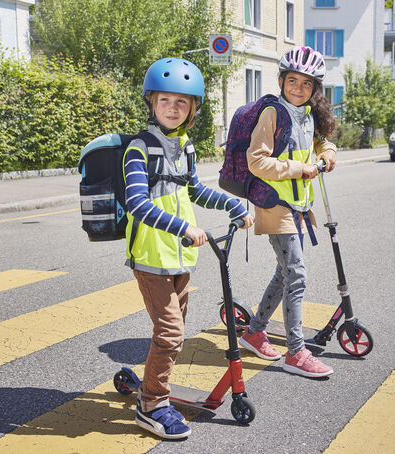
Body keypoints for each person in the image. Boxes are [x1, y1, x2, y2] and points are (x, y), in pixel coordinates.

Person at [124, 57, 253, 439]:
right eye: (166, 100)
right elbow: (137, 203)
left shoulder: (186, 146)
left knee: (171, 333)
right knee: (170, 333)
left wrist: (232, 204)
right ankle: (151, 405)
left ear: (193, 108)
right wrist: (183, 226)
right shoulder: (138, 149)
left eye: (183, 102)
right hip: (150, 256)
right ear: (152, 102)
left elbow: (194, 190)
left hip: (181, 256)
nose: (173, 108)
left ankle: (151, 386)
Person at [238, 46, 337, 378]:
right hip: (274, 204)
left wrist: (329, 149)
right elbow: (257, 160)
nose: (298, 88)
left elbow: (317, 143)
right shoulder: (273, 114)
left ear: (314, 90)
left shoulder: (306, 115)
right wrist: (299, 168)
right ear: (281, 81)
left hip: (298, 207)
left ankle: (254, 332)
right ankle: (296, 353)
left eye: (306, 83)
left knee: (284, 273)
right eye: (292, 80)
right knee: (296, 275)